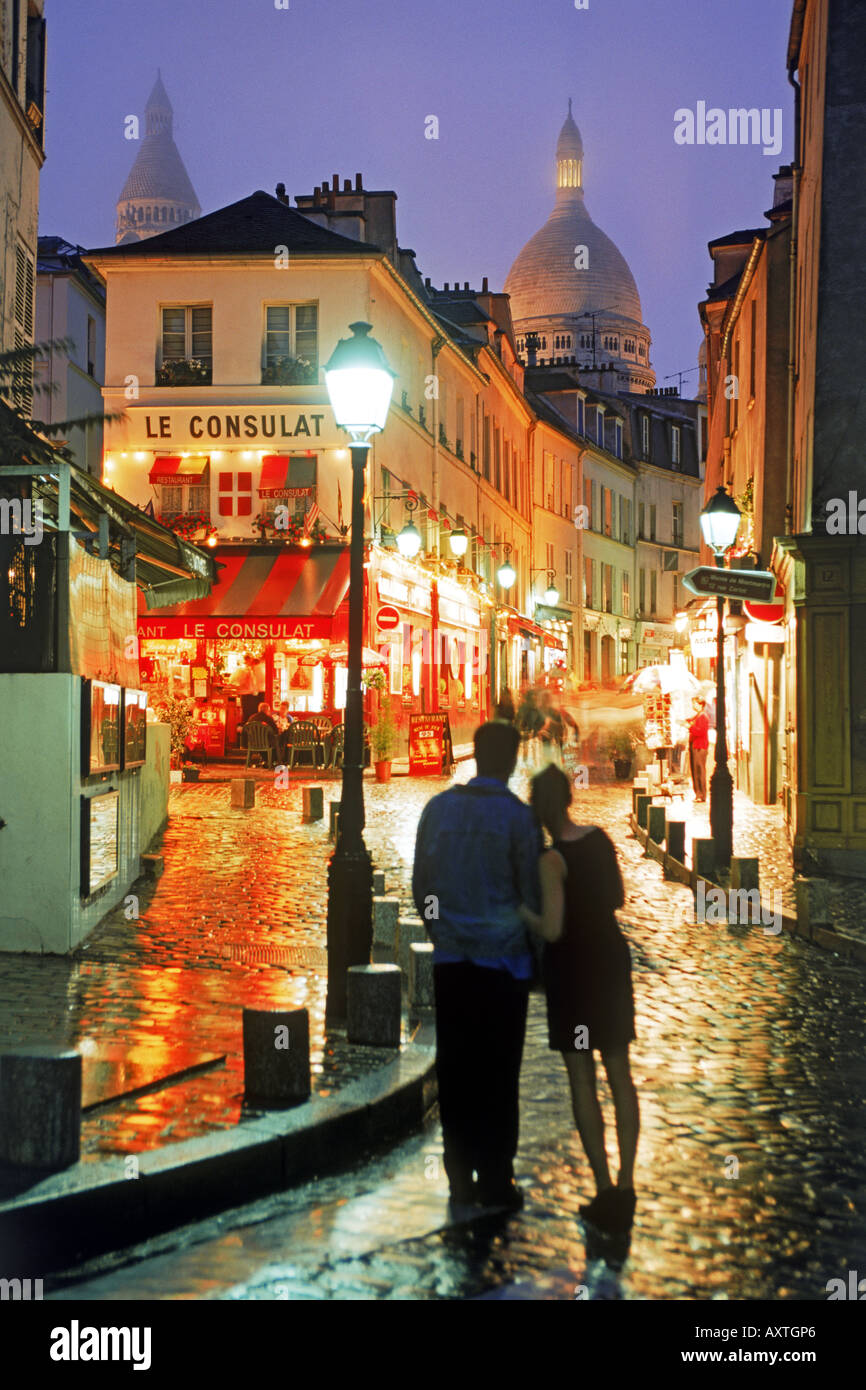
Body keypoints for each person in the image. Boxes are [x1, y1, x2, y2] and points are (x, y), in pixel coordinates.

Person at [412, 721, 541, 1211]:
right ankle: (495, 1175)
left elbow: (421, 887)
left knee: (457, 1067)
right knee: (499, 1071)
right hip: (503, 967)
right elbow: (530, 893)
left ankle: (457, 1172)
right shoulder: (519, 820)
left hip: (452, 963)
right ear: (509, 762)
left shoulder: (438, 810)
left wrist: (440, 932)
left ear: (474, 757)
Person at [519, 764, 639, 1235]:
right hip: (610, 961)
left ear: (540, 809)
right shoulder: (601, 838)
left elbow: (551, 928)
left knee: (583, 1081)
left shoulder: (552, 860)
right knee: (621, 1074)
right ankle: (628, 1183)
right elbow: (618, 898)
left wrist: (518, 910)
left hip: (573, 973)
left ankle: (604, 1188)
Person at [688, 697, 710, 802]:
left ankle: (701, 794)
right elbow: (691, 720)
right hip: (695, 746)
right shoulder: (698, 716)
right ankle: (698, 794)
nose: (693, 705)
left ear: (700, 704)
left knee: (699, 771)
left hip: (700, 747)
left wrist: (690, 727)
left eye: (694, 703)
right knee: (695, 770)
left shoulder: (703, 717)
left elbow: (700, 732)